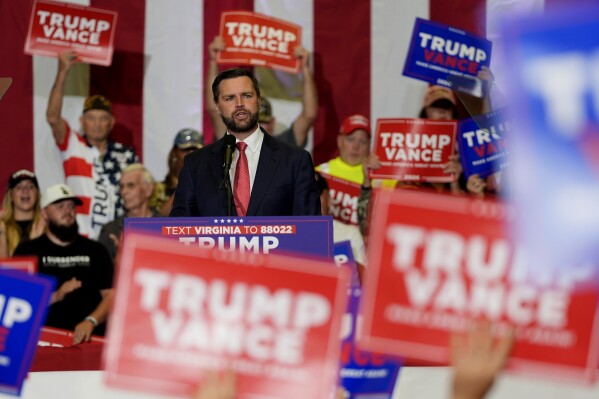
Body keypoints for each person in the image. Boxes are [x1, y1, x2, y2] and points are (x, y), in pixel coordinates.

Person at [171, 67, 320, 217]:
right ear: (216, 106)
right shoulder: (196, 164)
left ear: (259, 100)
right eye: (229, 98)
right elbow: (179, 229)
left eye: (247, 95)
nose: (239, 104)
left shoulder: (295, 160)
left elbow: (309, 228)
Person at [46, 50, 139, 239]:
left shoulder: (126, 154)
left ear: (112, 122)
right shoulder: (73, 144)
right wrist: (62, 72)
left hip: (117, 238)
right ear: (81, 121)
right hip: (81, 238)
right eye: (91, 118)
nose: (97, 124)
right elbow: (53, 117)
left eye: (102, 119)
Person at [14, 183, 114, 343]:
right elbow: (18, 304)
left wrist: (91, 320)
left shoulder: (96, 250)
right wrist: (57, 295)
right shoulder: (27, 251)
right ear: (44, 213)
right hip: (44, 344)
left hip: (90, 344)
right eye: (60, 206)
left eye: (71, 206)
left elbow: (111, 296)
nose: (67, 211)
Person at [206, 36, 318, 148]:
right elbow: (214, 109)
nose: (259, 126)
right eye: (255, 120)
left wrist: (305, 68)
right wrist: (213, 61)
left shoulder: (284, 144)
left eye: (263, 122)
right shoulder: (230, 143)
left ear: (273, 122)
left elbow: (309, 114)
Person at [98, 164, 157, 260]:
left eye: (131, 185)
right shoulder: (110, 231)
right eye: (121, 187)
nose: (124, 192)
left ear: (148, 190)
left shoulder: (167, 227)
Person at [157, 129, 203, 216]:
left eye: (195, 149)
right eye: (186, 150)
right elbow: (156, 220)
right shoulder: (159, 189)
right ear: (175, 152)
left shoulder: (209, 185)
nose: (191, 154)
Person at [0, 170, 45, 257]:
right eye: (19, 187)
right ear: (11, 196)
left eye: (31, 186)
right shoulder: (2, 227)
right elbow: (3, 268)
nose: (25, 190)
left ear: (37, 195)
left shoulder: (47, 227)